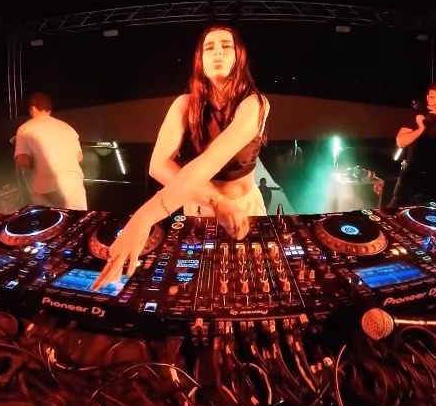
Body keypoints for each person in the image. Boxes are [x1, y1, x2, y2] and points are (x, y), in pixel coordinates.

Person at [94, 25, 269, 287]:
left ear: (239, 57)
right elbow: (158, 165)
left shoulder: (255, 103)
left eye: (226, 46)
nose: (217, 52)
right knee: (197, 285)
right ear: (200, 61)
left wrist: (142, 218)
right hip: (197, 205)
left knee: (249, 284)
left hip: (245, 209)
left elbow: (211, 161)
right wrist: (216, 200)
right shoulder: (184, 104)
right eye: (209, 48)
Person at [14, 92, 88, 210]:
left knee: (51, 221)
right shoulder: (67, 128)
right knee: (77, 220)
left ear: (32, 108)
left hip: (46, 188)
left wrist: (36, 163)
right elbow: (79, 157)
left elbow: (22, 160)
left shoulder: (25, 129)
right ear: (49, 109)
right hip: (74, 187)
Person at [392, 84, 436, 207]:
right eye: (432, 97)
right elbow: (400, 141)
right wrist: (420, 129)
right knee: (397, 210)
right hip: (412, 175)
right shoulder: (416, 115)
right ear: (427, 98)